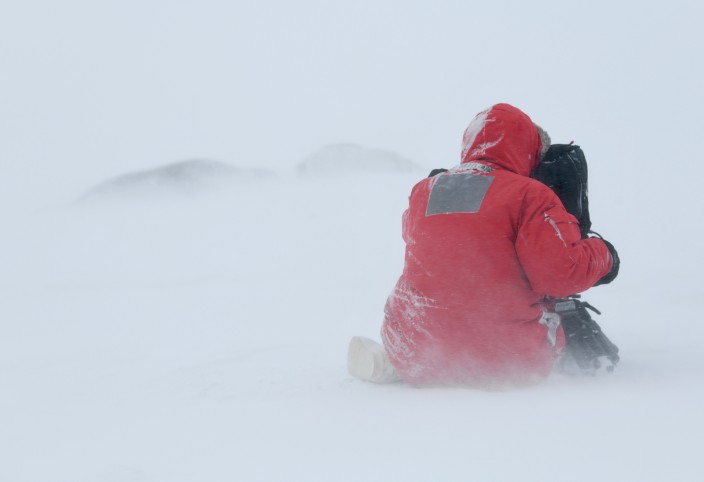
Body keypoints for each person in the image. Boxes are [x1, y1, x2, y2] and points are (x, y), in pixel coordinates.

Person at [348, 103, 619, 388]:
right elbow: (560, 274)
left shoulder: (425, 190)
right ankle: (585, 372)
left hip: (415, 346)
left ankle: (399, 364)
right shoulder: (531, 195)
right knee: (569, 314)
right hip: (507, 360)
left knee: (430, 324)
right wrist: (605, 255)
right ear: (529, 152)